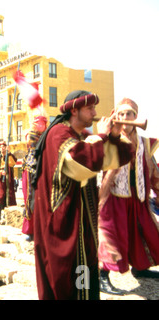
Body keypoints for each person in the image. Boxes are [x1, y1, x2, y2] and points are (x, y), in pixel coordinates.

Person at [32, 90, 134, 300]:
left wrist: (114, 136)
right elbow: (82, 162)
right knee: (65, 276)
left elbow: (110, 158)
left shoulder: (83, 136)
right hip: (63, 223)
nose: (95, 112)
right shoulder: (58, 133)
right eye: (90, 108)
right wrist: (103, 135)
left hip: (82, 221)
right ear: (74, 110)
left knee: (84, 272)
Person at [98, 98, 159, 295]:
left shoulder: (145, 143)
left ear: (135, 116)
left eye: (129, 114)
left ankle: (140, 268)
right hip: (115, 196)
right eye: (121, 114)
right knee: (113, 235)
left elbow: (153, 170)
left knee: (143, 231)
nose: (125, 118)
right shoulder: (111, 139)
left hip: (138, 196)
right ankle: (102, 276)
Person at [21, 115, 47, 241]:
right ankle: (29, 230)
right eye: (39, 123)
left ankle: (41, 230)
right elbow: (36, 147)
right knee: (30, 200)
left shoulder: (47, 135)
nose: (41, 125)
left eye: (43, 123)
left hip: (43, 168)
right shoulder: (31, 135)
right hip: (31, 169)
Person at [0, 142, 17, 220]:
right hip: (1, 177)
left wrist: (9, 154)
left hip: (9, 176)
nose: (2, 148)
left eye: (4, 146)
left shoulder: (9, 156)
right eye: (1, 147)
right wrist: (0, 172)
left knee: (9, 193)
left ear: (6, 147)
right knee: (1, 194)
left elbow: (13, 163)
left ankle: (8, 213)